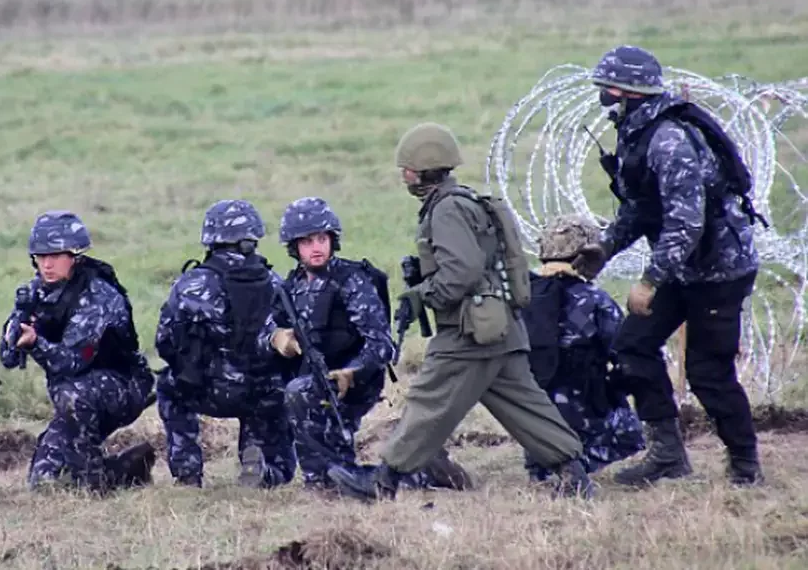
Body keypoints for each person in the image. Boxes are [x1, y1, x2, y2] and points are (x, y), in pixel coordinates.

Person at [326, 122, 594, 502]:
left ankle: (382, 482)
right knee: (525, 404)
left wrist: (423, 294)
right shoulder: (461, 202)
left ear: (424, 170)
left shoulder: (448, 210)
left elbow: (463, 272)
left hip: (468, 331)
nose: (403, 175)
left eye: (407, 168)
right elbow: (472, 262)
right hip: (498, 325)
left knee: (428, 400)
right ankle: (574, 474)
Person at [572, 45, 764, 486]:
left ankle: (745, 464)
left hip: (719, 272)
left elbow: (686, 221)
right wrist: (602, 252)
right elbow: (640, 208)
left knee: (707, 371)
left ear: (627, 92)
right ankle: (667, 454)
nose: (603, 95)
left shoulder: (669, 139)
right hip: (682, 268)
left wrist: (649, 281)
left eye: (607, 87)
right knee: (631, 348)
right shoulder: (637, 133)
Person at [263, 196, 471, 493]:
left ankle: (424, 475)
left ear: (333, 240)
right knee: (284, 392)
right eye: (307, 242)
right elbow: (266, 327)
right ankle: (322, 480)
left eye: (321, 239)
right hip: (314, 378)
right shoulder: (291, 286)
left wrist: (352, 372)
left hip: (356, 381)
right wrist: (277, 337)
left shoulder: (351, 281)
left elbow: (382, 344)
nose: (316, 247)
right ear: (294, 248)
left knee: (301, 395)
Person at [0, 210, 156, 495]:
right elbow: (9, 360)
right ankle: (128, 468)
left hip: (123, 387)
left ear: (75, 255)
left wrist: (36, 343)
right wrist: (13, 335)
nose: (46, 264)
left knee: (72, 394)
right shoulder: (36, 292)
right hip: (77, 395)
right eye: (40, 256)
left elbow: (70, 363)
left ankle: (93, 484)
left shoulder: (97, 295)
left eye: (55, 256)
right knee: (44, 482)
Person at [154, 199, 296, 489]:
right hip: (264, 392)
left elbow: (164, 342)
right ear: (253, 237)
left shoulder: (191, 284)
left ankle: (187, 473)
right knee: (275, 399)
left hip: (207, 390)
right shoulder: (275, 281)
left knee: (169, 385)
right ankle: (259, 466)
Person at [523, 214, 645, 482]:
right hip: (583, 410)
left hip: (533, 418)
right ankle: (579, 461)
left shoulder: (524, 297)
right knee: (633, 437)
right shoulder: (595, 300)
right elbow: (624, 353)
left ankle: (544, 463)